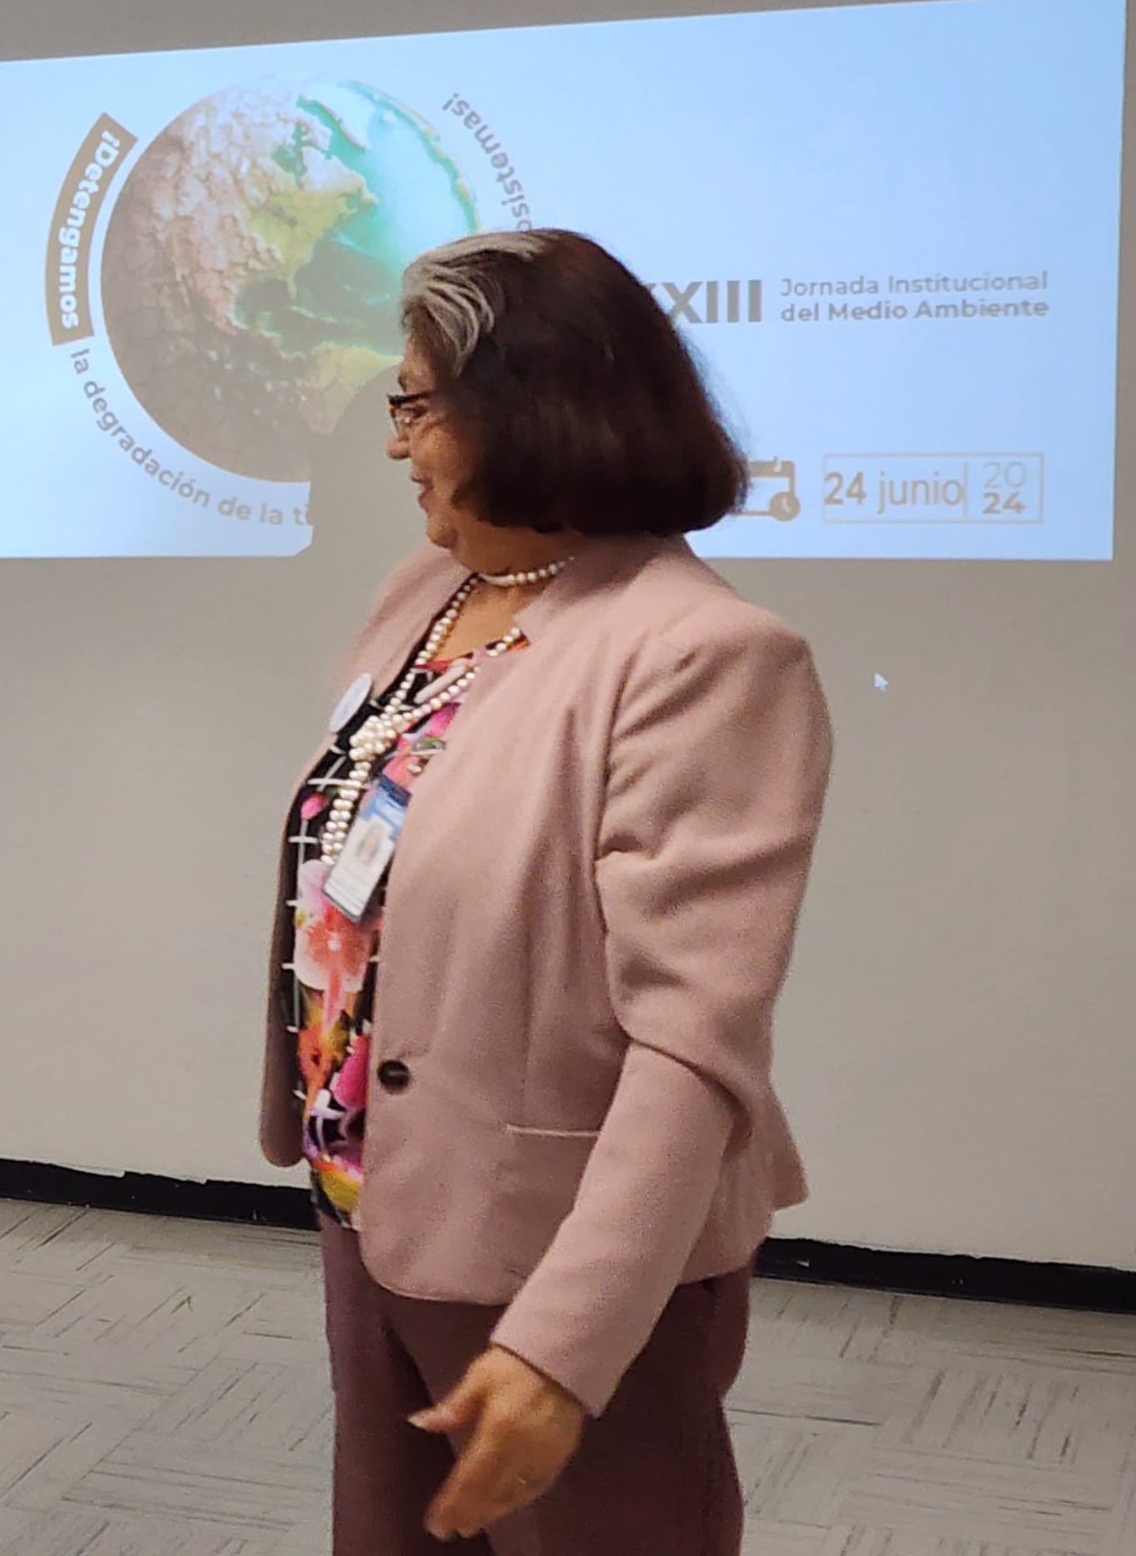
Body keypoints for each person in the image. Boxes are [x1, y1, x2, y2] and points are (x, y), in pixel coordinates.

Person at [260, 229, 831, 1555]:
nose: (394, 445)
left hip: (559, 1252)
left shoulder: (705, 655)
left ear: (524, 407)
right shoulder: (430, 589)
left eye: (412, 404)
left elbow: (694, 1045)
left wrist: (568, 1347)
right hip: (377, 1201)